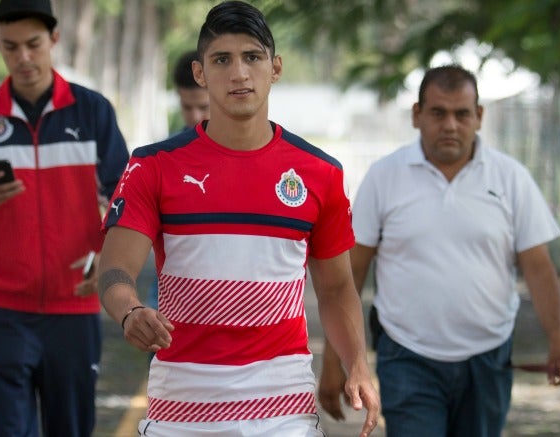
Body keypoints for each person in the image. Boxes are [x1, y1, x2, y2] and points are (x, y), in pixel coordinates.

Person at [97, 1, 380, 436]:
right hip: (182, 406)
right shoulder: (152, 165)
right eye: (222, 60)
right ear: (200, 73)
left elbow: (337, 287)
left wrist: (356, 363)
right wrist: (130, 311)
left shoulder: (320, 173)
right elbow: (115, 269)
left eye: (252, 57)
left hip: (283, 407)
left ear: (276, 68)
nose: (239, 73)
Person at [318, 64, 560, 437]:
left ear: (479, 116)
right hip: (407, 356)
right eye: (438, 113)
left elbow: (539, 268)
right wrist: (336, 361)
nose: (451, 125)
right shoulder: (385, 177)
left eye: (462, 114)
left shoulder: (511, 178)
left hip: (488, 359)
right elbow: (350, 274)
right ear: (417, 115)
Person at [0, 0, 129, 435]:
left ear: (54, 40)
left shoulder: (93, 111)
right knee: (5, 428)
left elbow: (124, 200)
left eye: (33, 44)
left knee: (71, 427)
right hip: (3, 309)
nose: (23, 57)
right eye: (11, 47)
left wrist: (107, 257)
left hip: (74, 307)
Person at [146, 49, 211, 310]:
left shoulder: (254, 155)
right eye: (187, 107)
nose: (195, 117)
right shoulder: (160, 159)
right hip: (169, 305)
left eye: (204, 107)